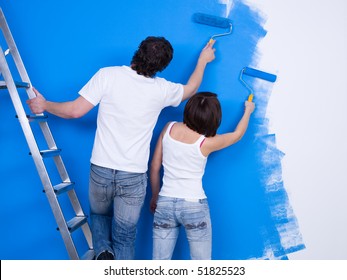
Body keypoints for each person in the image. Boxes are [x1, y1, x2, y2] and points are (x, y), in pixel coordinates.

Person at [26, 36, 215, 260]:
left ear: (138, 52)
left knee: (99, 216)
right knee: (125, 236)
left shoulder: (108, 75)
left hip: (101, 169)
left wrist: (45, 104)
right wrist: (203, 60)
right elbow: (192, 88)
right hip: (133, 176)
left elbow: (75, 111)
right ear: (162, 67)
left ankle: (104, 253)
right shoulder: (163, 90)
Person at [150, 92, 255, 260]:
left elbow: (154, 167)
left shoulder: (169, 128)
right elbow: (237, 135)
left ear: (189, 109)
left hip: (165, 203)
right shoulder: (206, 143)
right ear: (212, 118)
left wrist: (155, 196)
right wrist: (248, 111)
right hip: (194, 205)